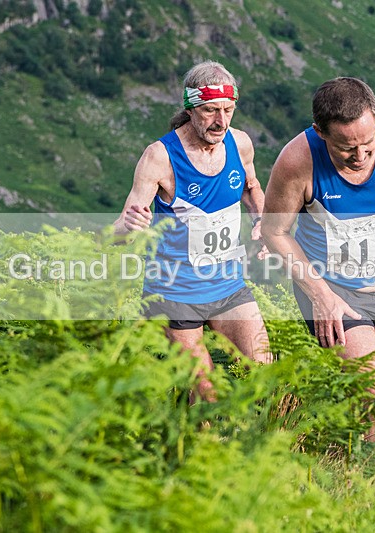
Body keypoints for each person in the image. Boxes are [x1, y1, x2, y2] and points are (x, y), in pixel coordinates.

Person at [261, 77, 375, 439]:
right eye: (346, 148)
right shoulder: (297, 160)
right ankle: (372, 470)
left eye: (368, 144)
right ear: (320, 132)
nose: (359, 156)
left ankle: (333, 458)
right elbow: (274, 232)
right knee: (374, 388)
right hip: (332, 291)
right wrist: (321, 296)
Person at [114, 60, 272, 401]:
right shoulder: (159, 157)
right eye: (210, 110)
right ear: (190, 108)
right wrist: (128, 226)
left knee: (264, 375)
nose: (221, 121)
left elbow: (251, 187)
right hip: (176, 293)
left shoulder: (240, 143)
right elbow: (117, 233)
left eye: (228, 110)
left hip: (228, 285)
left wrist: (261, 220)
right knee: (205, 396)